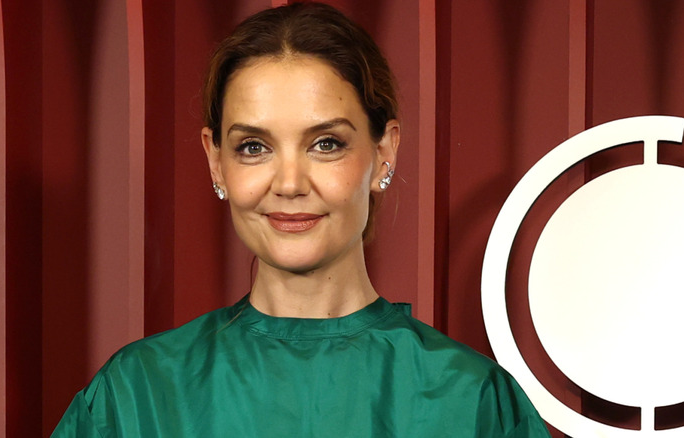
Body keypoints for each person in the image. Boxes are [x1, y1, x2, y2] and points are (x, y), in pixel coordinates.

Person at [52, 3, 550, 437]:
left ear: (383, 153)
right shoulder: (137, 394)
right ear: (215, 160)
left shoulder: (473, 401)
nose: (289, 183)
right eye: (254, 147)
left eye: (325, 144)